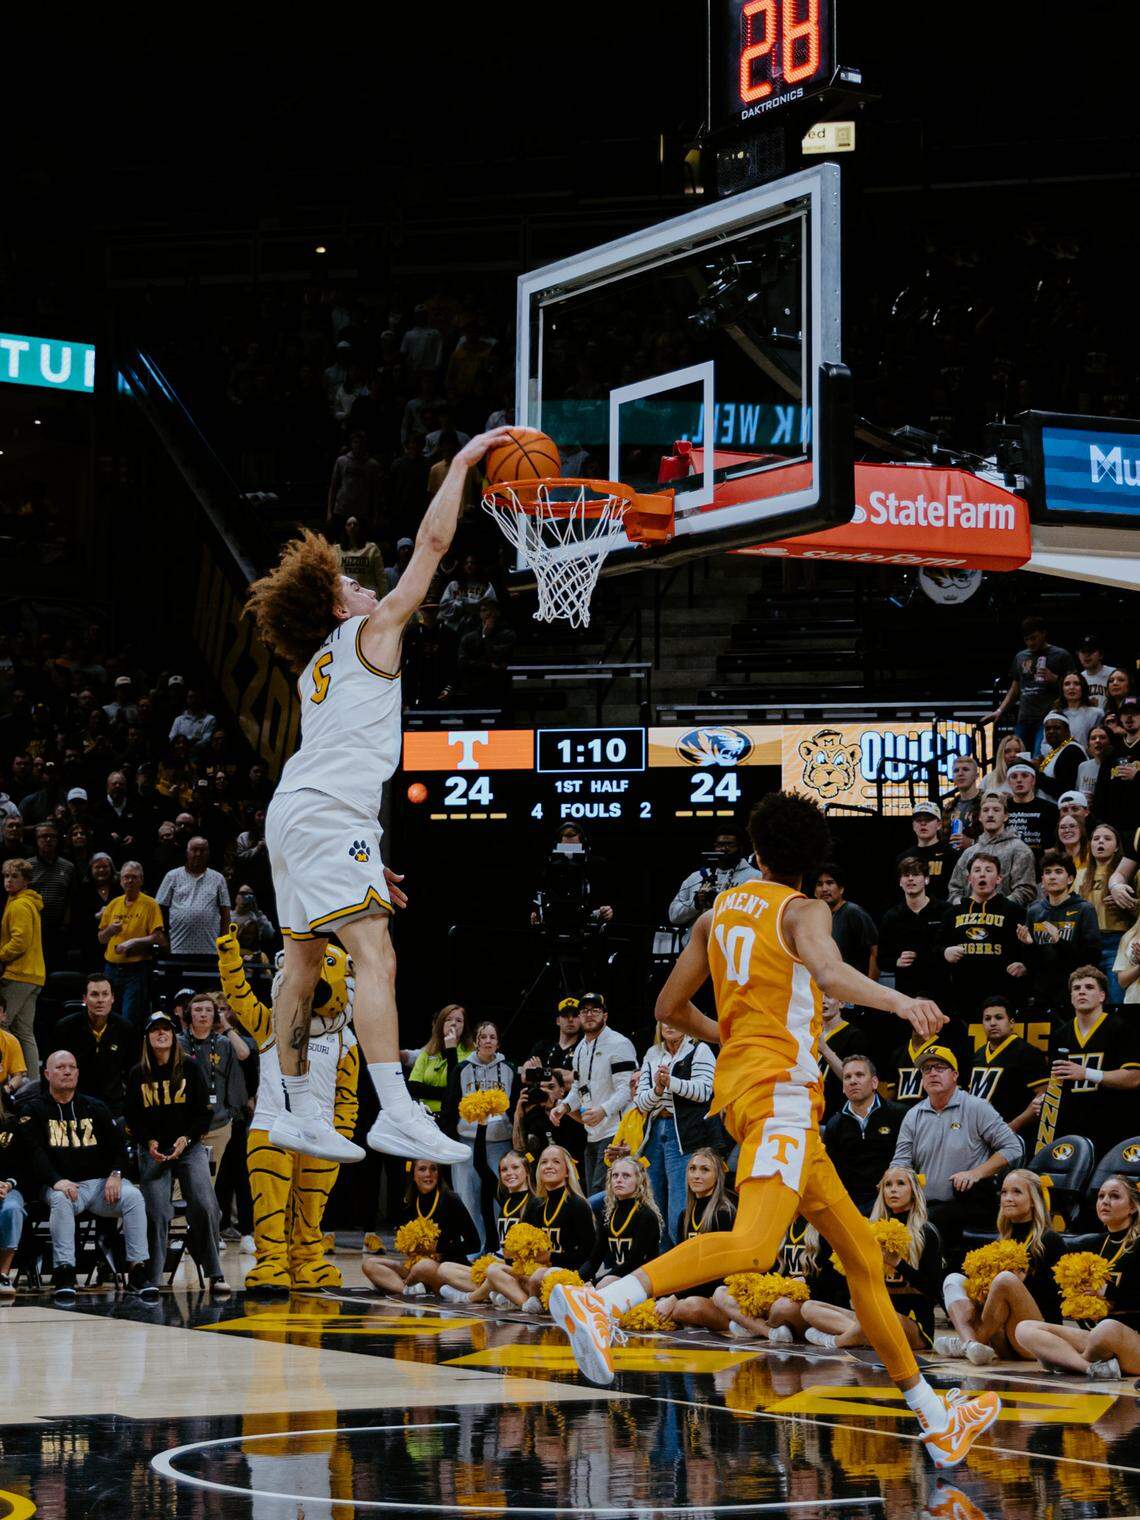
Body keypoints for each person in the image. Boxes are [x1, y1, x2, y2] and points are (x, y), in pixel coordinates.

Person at [551, 790, 1001, 1468]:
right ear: (814, 862)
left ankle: (936, 1418)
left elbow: (669, 1006)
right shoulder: (805, 910)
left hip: (757, 1094)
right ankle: (604, 1303)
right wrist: (903, 1001)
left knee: (864, 1260)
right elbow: (828, 971)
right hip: (780, 1096)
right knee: (756, 1245)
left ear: (756, 851)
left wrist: (732, 1039)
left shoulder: (716, 913)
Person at [244, 427, 513, 1166]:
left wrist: (361, 858)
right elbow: (429, 547)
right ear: (340, 610)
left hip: (297, 812)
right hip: (329, 812)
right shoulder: (371, 634)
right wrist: (461, 464)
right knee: (376, 954)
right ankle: (395, 1110)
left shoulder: (314, 671)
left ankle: (287, 1105)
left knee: (301, 965)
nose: (370, 587)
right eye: (354, 586)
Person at [216, 927, 360, 1292]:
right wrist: (230, 958)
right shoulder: (271, 1023)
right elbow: (239, 997)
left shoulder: (346, 1038)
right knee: (270, 1204)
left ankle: (308, 1259)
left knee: (312, 1207)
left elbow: (348, 1096)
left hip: (322, 1135)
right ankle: (272, 1263)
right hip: (271, 1126)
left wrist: (343, 1133)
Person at [22, 1050, 155, 1302]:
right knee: (61, 1199)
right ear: (47, 1074)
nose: (67, 1071)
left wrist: (116, 1175)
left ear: (78, 1073)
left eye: (72, 1066)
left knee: (134, 1197)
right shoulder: (34, 1109)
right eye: (60, 1067)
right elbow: (33, 1153)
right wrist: (55, 1180)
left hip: (99, 1186)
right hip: (60, 1186)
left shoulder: (95, 1107)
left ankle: (137, 1269)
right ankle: (65, 1271)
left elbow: (119, 1147)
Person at [124, 1011, 229, 1294]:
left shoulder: (191, 1068)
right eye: (155, 1030)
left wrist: (186, 1138)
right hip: (154, 1150)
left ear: (173, 1035)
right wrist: (149, 1143)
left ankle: (215, 1272)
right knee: (158, 1211)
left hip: (189, 1147)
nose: (162, 1034)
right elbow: (132, 1117)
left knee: (206, 1205)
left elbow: (204, 1112)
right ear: (147, 1037)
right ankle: (154, 1277)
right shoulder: (137, 1073)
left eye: (167, 1030)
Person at [891, 1046, 1020, 1269]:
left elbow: (1013, 1147)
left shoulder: (976, 1107)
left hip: (967, 1201)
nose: (932, 1073)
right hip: (923, 1204)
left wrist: (976, 1173)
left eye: (940, 1067)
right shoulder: (913, 1115)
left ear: (955, 1075)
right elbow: (900, 1163)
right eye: (926, 1069)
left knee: (928, 1223)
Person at [800, 1166, 943, 1353]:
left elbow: (933, 1291)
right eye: (888, 1185)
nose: (893, 1189)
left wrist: (898, 1264)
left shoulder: (926, 1232)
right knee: (809, 1308)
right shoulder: (870, 1229)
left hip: (914, 1325)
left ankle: (837, 1341)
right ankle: (862, 1336)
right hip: (873, 1316)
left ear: (914, 1191)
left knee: (879, 1320)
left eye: (901, 1184)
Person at [1015, 1175, 1140, 1379]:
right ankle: (1089, 1367)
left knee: (1106, 1329)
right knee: (1025, 1328)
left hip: (1132, 1340)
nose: (1105, 1201)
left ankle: (1065, 1360)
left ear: (1133, 1207)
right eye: (1101, 1196)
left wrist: (1107, 1292)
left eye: (1114, 1196)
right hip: (1097, 1337)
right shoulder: (1092, 1245)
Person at [935, 1168, 1063, 1365]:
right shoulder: (1000, 1242)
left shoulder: (1050, 1240)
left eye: (1016, 1192)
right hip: (1002, 1340)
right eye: (1004, 1192)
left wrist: (1023, 1282)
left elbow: (1055, 1302)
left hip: (1035, 1339)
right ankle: (971, 1344)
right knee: (954, 1280)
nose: (1008, 1198)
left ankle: (968, 1342)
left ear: (1033, 1200)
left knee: (1005, 1279)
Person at [1033, 966, 1140, 1160]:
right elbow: (1056, 1083)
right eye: (1076, 988)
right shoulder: (1060, 1035)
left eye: (1089, 987)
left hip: (1112, 1124)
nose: (1081, 991)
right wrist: (1045, 1100)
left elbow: (1134, 1078)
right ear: (1071, 996)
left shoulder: (1121, 1029)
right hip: (1071, 1128)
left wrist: (1087, 1073)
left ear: (1102, 996)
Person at [633, 1020, 718, 1247]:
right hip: (654, 1134)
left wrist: (671, 1082)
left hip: (685, 1135)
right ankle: (659, 1259)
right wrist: (658, 1089)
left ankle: (681, 1258)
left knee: (679, 1204)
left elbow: (704, 1091)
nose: (669, 1026)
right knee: (653, 1202)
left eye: (675, 1021)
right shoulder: (652, 1053)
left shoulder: (700, 1049)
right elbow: (641, 1101)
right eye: (664, 1022)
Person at [484, 1145, 597, 1312]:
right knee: (494, 1270)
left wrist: (551, 1257)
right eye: (544, 1162)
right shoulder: (536, 1205)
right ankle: (528, 1303)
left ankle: (518, 1299)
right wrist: (514, 1253)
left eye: (556, 1162)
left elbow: (588, 1254)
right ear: (538, 1170)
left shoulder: (577, 1204)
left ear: (567, 1171)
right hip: (536, 1273)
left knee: (538, 1275)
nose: (549, 1166)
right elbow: (525, 1251)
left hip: (565, 1273)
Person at [643, 1148, 738, 1331]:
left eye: (705, 1170)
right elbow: (682, 1266)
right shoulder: (685, 1216)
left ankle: (737, 1325)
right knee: (654, 1303)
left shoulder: (724, 1213)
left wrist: (675, 1297)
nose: (696, 1175)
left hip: (719, 1295)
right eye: (692, 1169)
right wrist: (665, 1294)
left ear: (718, 1176)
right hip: (691, 1292)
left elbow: (717, 1273)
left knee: (686, 1307)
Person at [551, 992, 637, 1193]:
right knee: (593, 1193)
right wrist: (563, 1106)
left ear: (605, 1016)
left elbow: (627, 1090)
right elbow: (578, 1088)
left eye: (595, 1010)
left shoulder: (619, 1044)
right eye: (585, 1011)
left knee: (603, 1194)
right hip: (592, 1134)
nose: (589, 1015)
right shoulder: (581, 1048)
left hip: (616, 1131)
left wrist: (603, 1111)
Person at [447, 1020, 518, 1252]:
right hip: (467, 1141)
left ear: (498, 1042)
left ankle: (502, 1248)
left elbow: (516, 1104)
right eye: (483, 1037)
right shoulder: (462, 1068)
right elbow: (451, 1104)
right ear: (476, 1041)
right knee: (468, 1196)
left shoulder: (508, 1068)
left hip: (500, 1142)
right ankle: (473, 1249)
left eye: (492, 1037)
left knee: (502, 1197)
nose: (488, 1041)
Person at [362, 1159, 480, 1297]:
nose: (428, 1174)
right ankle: (406, 1290)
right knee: (369, 1264)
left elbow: (474, 1244)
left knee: (424, 1266)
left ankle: (400, 1284)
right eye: (422, 1169)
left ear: (439, 1173)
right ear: (413, 1174)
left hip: (446, 1269)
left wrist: (439, 1248)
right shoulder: (408, 1202)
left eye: (433, 1169)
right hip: (416, 1267)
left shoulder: (450, 1199)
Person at [179, 990, 254, 1189]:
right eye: (198, 1010)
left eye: (208, 1010)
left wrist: (231, 1112)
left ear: (215, 1016)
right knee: (182, 1184)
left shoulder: (224, 1044)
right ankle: (182, 1221)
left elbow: (236, 1078)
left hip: (218, 1123)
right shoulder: (178, 1043)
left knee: (209, 1183)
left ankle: (207, 1219)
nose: (203, 1014)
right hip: (184, 1126)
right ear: (189, 1015)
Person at [940, 854, 1028, 1018]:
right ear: (969, 878)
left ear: (999, 878)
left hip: (1003, 995)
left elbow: (1028, 949)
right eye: (977, 870)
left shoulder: (1015, 911)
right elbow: (934, 948)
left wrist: (1024, 964)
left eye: (988, 870)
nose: (982, 875)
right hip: (963, 996)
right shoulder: (952, 913)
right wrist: (944, 952)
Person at [822, 1055, 906, 1215]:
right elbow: (832, 1173)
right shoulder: (834, 1124)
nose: (853, 1081)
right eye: (847, 1077)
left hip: (889, 1198)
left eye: (859, 1075)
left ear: (874, 1082)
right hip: (848, 1201)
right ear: (843, 1087)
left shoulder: (899, 1114)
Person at [1019, 851, 1101, 1014]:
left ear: (1070, 879)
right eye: (1047, 872)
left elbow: (1092, 957)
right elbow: (1034, 963)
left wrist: (1060, 942)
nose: (1052, 877)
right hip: (1041, 992)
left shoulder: (1084, 909)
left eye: (1058, 872)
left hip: (1073, 991)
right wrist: (1028, 946)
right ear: (1042, 880)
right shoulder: (1034, 911)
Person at [980, 614, 1075, 754]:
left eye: (1034, 638)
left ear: (1043, 633)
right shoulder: (1020, 657)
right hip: (1024, 718)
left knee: (1039, 756)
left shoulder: (1061, 655)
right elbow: (1015, 687)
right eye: (1027, 639)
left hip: (1047, 719)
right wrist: (1000, 710)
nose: (1031, 642)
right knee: (1018, 755)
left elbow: (1075, 683)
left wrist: (1055, 679)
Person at [55, 974, 137, 1119]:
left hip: (114, 1107)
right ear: (84, 999)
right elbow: (52, 1070)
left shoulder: (126, 1029)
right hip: (75, 1105)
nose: (100, 1000)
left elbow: (133, 1072)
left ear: (112, 998)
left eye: (105, 994)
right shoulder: (65, 1028)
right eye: (94, 994)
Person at [97, 861, 166, 1028]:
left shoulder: (150, 904)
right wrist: (111, 930)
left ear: (141, 880)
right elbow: (101, 938)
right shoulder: (114, 904)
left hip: (135, 971)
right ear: (120, 881)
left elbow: (159, 937)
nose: (129, 881)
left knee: (129, 1018)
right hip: (110, 969)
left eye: (134, 877)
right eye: (126, 877)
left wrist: (133, 942)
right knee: (107, 1016)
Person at [965, 996, 1048, 1135]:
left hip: (1013, 1135)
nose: (992, 1023)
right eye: (987, 1019)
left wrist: (1012, 1127)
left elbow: (1044, 1094)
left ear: (1011, 1023)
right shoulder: (977, 1055)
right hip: (978, 1135)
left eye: (999, 1017)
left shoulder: (1027, 1052)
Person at [669, 828, 762, 944]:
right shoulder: (696, 877)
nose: (723, 849)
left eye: (729, 845)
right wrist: (696, 904)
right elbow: (673, 915)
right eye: (720, 845)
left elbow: (760, 917)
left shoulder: (755, 877)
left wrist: (722, 903)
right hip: (695, 949)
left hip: (731, 949)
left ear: (741, 847)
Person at [877, 857, 951, 1002]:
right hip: (906, 993)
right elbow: (881, 959)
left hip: (941, 990)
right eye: (906, 875)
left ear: (926, 880)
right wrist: (896, 961)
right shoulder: (891, 916)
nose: (910, 879)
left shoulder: (945, 911)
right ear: (900, 882)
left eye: (916, 874)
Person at [947, 792, 1036, 906]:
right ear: (979, 817)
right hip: (970, 918)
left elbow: (1026, 891)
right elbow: (955, 889)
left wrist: (996, 908)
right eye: (985, 810)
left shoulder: (1020, 850)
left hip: (1007, 919)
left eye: (996, 810)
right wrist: (966, 906)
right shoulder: (969, 852)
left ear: (1005, 816)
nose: (990, 814)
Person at [586, 1155, 663, 1287]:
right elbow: (595, 1259)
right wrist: (575, 1280)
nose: (619, 1180)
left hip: (644, 1280)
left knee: (604, 1284)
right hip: (618, 1278)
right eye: (615, 1176)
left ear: (639, 1181)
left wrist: (594, 1282)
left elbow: (633, 1263)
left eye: (626, 1176)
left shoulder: (646, 1216)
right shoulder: (610, 1214)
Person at [0, 859, 44, 1075]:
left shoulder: (19, 905)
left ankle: (8, 1075)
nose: (9, 880)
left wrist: (0, 955)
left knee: (1, 1025)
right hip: (33, 976)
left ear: (26, 880)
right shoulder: (25, 902)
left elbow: (20, 941)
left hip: (18, 974)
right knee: (24, 1030)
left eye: (14, 876)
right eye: (6, 876)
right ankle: (32, 1081)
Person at [156, 837, 231, 957]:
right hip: (177, 946)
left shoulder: (218, 878)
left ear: (208, 853)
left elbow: (225, 913)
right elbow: (158, 910)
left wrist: (224, 942)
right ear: (187, 852)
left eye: (203, 850)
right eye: (194, 850)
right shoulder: (172, 876)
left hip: (210, 948)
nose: (198, 854)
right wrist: (163, 939)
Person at [1082, 822, 1132, 1001]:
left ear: (1117, 846)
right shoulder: (1081, 875)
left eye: (1107, 838)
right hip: (1089, 944)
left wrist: (1129, 904)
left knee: (1116, 998)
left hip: (1117, 942)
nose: (1100, 842)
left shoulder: (1129, 875)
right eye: (1096, 839)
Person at [406, 1004, 473, 1115]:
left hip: (454, 1116)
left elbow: (457, 1090)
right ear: (441, 1024)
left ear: (464, 1026)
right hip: (425, 1115)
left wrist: (451, 1049)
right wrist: (445, 1093)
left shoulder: (472, 1054)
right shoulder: (427, 1051)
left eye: (459, 1020)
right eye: (448, 1019)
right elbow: (413, 1087)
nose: (453, 1023)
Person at [814, 864, 878, 978]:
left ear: (841, 889)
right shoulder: (815, 918)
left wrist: (869, 988)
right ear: (815, 892)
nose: (824, 889)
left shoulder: (853, 912)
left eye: (830, 883)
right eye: (820, 884)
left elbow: (875, 951)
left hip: (855, 987)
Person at [1095, 695, 1140, 839]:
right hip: (1114, 829)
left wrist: (1137, 776)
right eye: (1125, 713)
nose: (1129, 717)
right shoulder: (1111, 751)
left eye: (1135, 713)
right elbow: (1101, 790)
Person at [896, 803, 954, 899]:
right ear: (913, 825)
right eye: (918, 820)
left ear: (939, 825)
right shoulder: (903, 858)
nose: (923, 823)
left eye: (928, 819)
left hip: (944, 911)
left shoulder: (951, 855)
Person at [1004, 758, 1059, 857]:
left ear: (1033, 780)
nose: (1019, 780)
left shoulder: (1051, 809)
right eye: (1014, 776)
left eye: (1024, 775)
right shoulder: (1001, 809)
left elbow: (1055, 848)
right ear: (1008, 782)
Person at [1036, 713, 1086, 802]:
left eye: (1057, 728)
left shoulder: (1072, 750)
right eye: (1048, 729)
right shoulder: (1056, 751)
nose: (1051, 731)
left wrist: (1036, 775)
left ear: (1067, 732)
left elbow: (1064, 789)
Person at [1053, 670, 1105, 751]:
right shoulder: (1054, 715)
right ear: (1062, 689)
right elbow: (1045, 744)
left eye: (1076, 684)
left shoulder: (1097, 713)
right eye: (1067, 684)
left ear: (1083, 688)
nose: (1071, 687)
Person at [337, 515, 385, 597]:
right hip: (346, 597)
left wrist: (384, 596)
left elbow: (380, 577)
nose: (352, 526)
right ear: (345, 528)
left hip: (368, 597)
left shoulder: (372, 548)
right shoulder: (336, 549)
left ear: (360, 528)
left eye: (355, 524)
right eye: (349, 524)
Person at [942, 754, 982, 849]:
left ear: (976, 776)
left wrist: (972, 843)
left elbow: (997, 837)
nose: (960, 773)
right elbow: (943, 839)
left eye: (965, 769)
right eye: (956, 771)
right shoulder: (949, 807)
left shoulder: (988, 802)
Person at [979, 734, 1026, 798]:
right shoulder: (988, 779)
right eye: (1007, 751)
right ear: (1001, 754)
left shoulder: (1030, 779)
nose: (1012, 755)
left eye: (1017, 751)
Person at [1076, 634, 1117, 707]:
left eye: (1090, 651)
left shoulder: (1114, 674)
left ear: (1100, 654)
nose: (1086, 655)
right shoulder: (1077, 679)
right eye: (1083, 652)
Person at [1078, 725, 1113, 806]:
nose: (1097, 741)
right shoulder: (1082, 766)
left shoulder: (1117, 767)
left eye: (1102, 737)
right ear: (1088, 745)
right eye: (1093, 738)